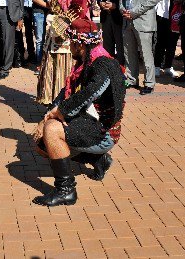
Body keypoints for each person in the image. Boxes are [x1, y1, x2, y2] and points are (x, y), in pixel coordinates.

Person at [32, 19, 124, 207]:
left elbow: (89, 92)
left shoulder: (103, 64)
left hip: (104, 132)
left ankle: (65, 190)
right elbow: (63, 95)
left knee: (52, 132)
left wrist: (60, 114)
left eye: (71, 42)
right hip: (91, 123)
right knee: (42, 143)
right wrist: (48, 115)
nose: (69, 46)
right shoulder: (86, 60)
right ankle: (98, 159)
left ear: (80, 44)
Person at [36, 0, 90, 105]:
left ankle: (64, 103)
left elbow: (79, 11)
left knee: (64, 70)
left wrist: (59, 24)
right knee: (51, 67)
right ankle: (52, 100)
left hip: (68, 36)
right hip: (54, 32)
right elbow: (53, 5)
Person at [119, 0, 161, 95]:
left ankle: (149, 83)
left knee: (145, 53)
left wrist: (134, 11)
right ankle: (131, 79)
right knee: (128, 52)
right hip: (128, 21)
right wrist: (123, 9)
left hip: (143, 22)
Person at [154, 0, 185, 78]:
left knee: (172, 42)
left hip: (176, 16)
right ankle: (157, 66)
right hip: (163, 14)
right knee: (160, 42)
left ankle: (168, 66)